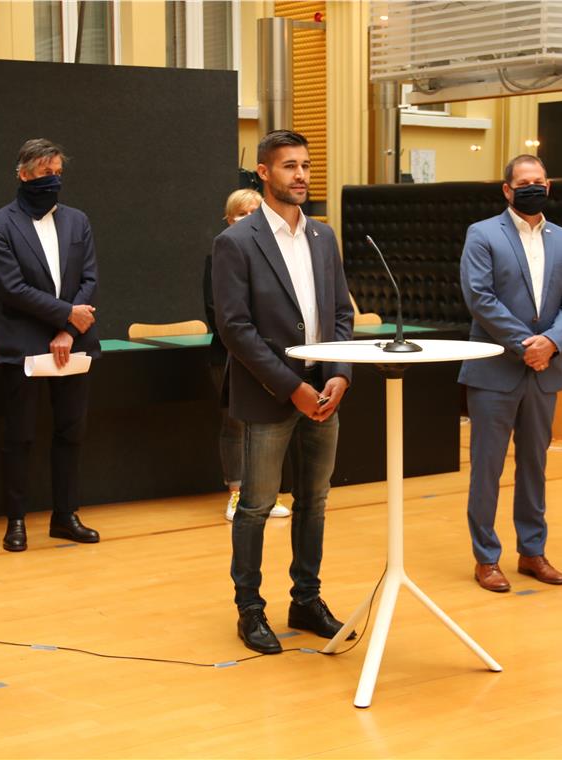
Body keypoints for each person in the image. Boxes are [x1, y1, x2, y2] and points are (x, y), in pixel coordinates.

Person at [212, 130, 356, 654]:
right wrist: (291, 386)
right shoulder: (236, 242)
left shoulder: (323, 236)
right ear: (263, 173)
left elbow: (340, 313)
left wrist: (340, 371)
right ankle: (250, 609)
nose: (300, 175)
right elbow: (235, 329)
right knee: (256, 506)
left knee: (314, 503)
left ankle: (306, 600)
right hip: (269, 393)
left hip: (325, 391)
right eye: (289, 165)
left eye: (306, 166)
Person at [459, 154, 562, 593]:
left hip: (544, 370)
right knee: (487, 469)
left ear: (548, 186)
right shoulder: (482, 234)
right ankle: (486, 558)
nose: (533, 188)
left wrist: (550, 342)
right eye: (524, 182)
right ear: (508, 190)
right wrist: (527, 344)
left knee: (535, 465)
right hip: (495, 369)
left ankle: (532, 551)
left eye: (540, 181)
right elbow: (480, 297)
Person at [0, 139, 100, 551]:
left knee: (71, 431)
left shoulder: (77, 220)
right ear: (23, 174)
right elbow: (12, 288)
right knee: (19, 436)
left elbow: (89, 278)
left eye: (57, 173)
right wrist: (66, 316)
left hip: (74, 339)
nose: (53, 180)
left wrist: (69, 329)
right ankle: (16, 520)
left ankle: (65, 515)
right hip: (24, 342)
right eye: (44, 172)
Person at [203, 188, 290, 522]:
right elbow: (218, 312)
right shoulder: (220, 252)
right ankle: (237, 492)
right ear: (229, 219)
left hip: (270, 354)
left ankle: (266, 492)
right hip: (229, 355)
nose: (249, 218)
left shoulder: (275, 255)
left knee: (268, 424)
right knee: (235, 425)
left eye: (255, 212)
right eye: (242, 213)